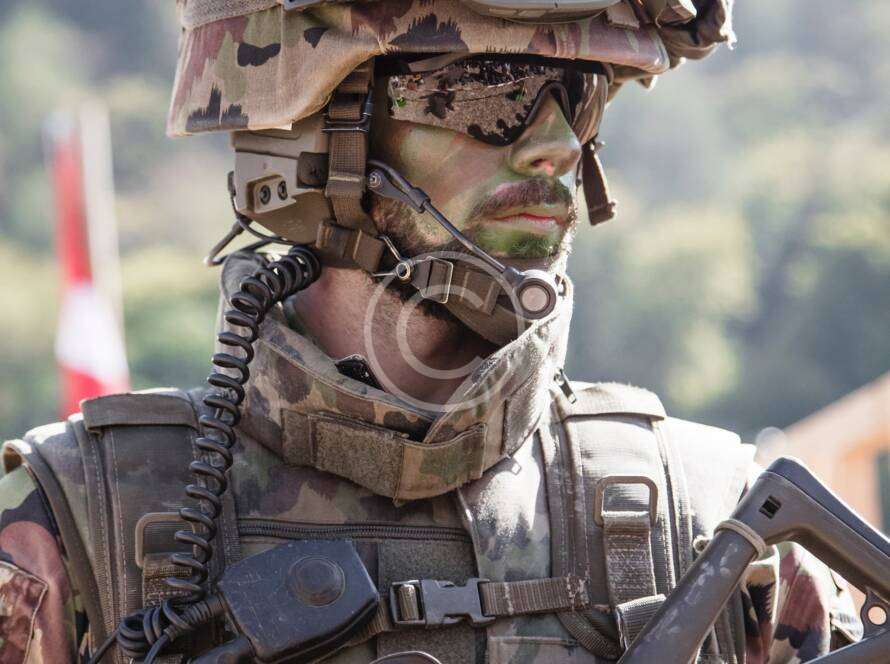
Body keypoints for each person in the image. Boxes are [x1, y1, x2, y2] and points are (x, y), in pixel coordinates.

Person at [0, 1, 862, 662]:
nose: (556, 147)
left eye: (579, 96)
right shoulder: (82, 530)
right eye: (492, 92)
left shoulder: (722, 532)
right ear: (315, 136)